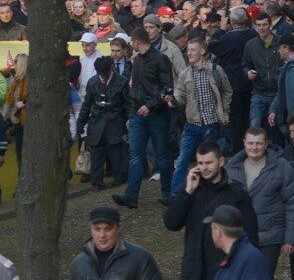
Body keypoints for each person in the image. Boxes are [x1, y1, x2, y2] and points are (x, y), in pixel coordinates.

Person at [163, 141, 258, 280]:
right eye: (200, 163)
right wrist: (187, 191)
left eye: (209, 162)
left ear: (221, 161)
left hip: (225, 272)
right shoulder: (192, 190)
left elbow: (251, 234)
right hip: (195, 274)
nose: (204, 168)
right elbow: (171, 223)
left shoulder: (235, 193)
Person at [226, 126, 294, 276]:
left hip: (269, 238)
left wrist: (291, 238)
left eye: (259, 143)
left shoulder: (281, 166)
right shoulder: (232, 168)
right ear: (244, 143)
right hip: (240, 237)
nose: (254, 147)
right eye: (250, 143)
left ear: (266, 144)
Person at [115, 28, 175, 208]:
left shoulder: (160, 59)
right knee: (136, 155)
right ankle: (131, 195)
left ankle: (167, 193)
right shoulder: (137, 60)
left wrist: (149, 105)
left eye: (131, 43)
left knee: (162, 155)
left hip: (156, 115)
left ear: (137, 41)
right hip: (137, 113)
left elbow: (167, 89)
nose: (130, 46)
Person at [171, 38, 233, 197]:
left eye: (192, 50)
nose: (189, 53)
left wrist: (224, 112)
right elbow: (180, 95)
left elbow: (227, 91)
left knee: (209, 163)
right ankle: (175, 196)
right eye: (188, 50)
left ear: (202, 51)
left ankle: (210, 193)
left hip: (211, 126)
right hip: (192, 126)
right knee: (182, 161)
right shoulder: (185, 74)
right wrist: (173, 101)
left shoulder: (216, 70)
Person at [76, 56, 129, 190]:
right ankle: (97, 183)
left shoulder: (121, 82)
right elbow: (86, 105)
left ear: (111, 69)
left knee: (116, 157)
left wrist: (129, 122)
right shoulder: (92, 82)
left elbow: (128, 105)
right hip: (97, 124)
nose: (103, 76)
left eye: (104, 73)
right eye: (100, 73)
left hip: (115, 124)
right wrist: (80, 124)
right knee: (97, 158)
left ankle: (119, 181)